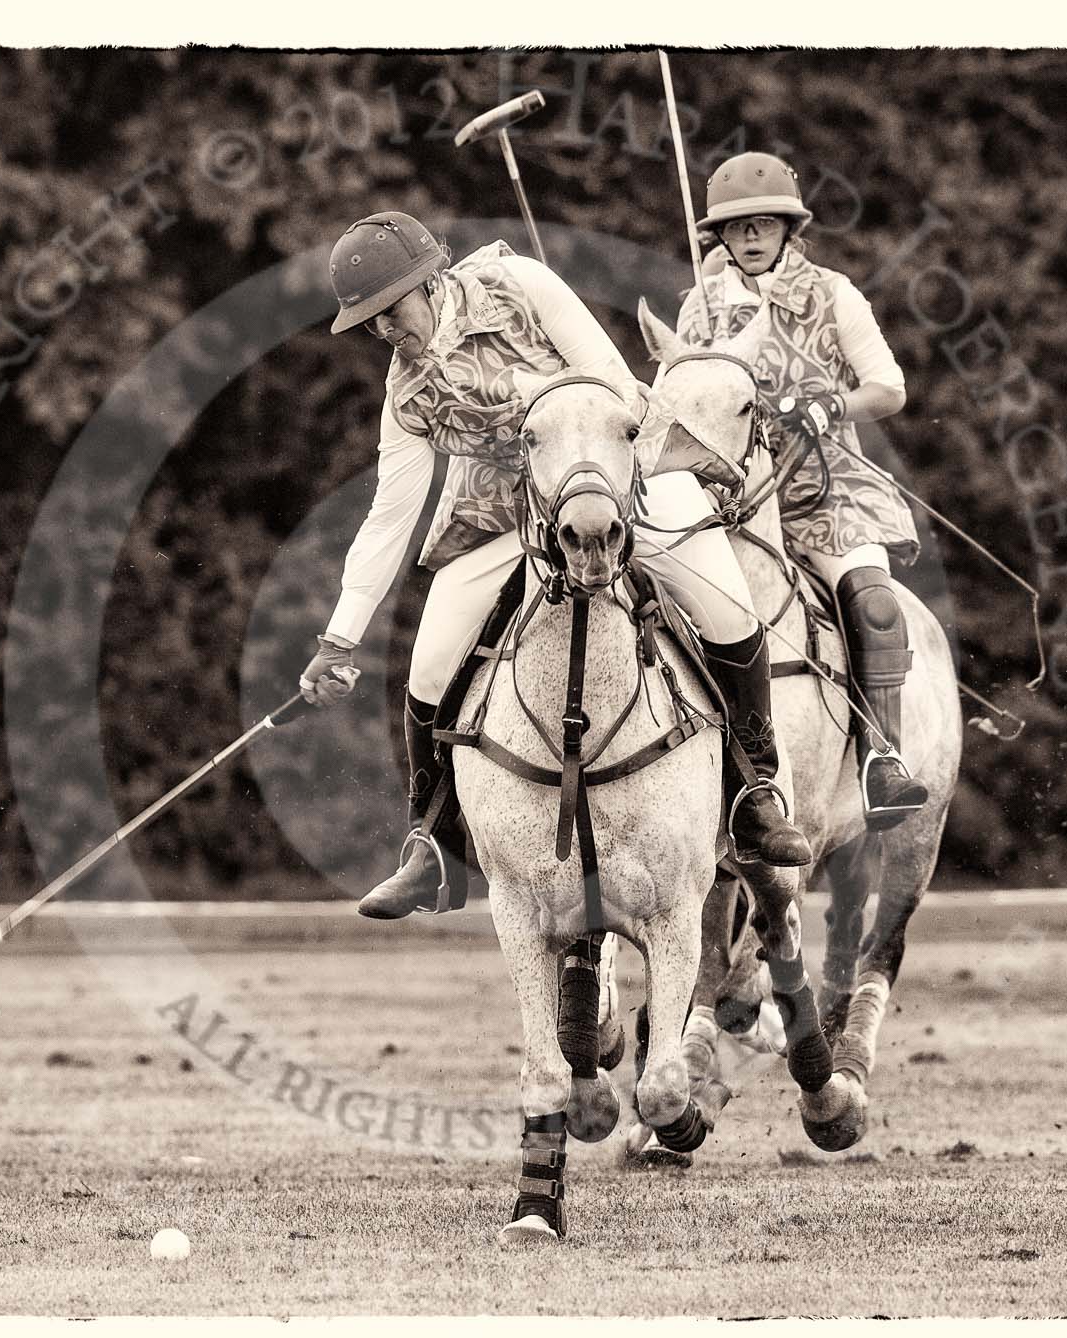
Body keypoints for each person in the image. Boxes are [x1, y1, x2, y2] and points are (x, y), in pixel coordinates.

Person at [300, 211, 813, 920]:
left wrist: (594, 462)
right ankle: (433, 843)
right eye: (369, 322)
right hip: (507, 513)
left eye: (390, 310)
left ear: (431, 280)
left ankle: (756, 791)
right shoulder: (408, 397)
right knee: (430, 662)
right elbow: (389, 516)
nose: (384, 330)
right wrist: (339, 637)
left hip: (614, 476)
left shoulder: (519, 282)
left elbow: (607, 373)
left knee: (728, 605)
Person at [675, 152, 930, 830]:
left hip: (827, 491)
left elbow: (890, 386)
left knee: (873, 603)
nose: (751, 238)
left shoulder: (834, 293)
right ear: (720, 238)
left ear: (790, 228)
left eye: (763, 225)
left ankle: (882, 756)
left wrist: (832, 406)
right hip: (726, 505)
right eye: (736, 229)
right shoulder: (699, 310)